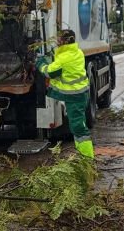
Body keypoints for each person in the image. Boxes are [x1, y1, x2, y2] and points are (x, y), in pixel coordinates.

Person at [36, 29, 95, 159]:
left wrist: (40, 63)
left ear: (64, 41)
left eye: (58, 39)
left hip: (74, 96)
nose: (57, 41)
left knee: (78, 128)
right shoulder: (76, 52)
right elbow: (62, 59)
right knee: (78, 127)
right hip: (79, 95)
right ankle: (83, 156)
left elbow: (50, 72)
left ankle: (87, 159)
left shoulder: (65, 57)